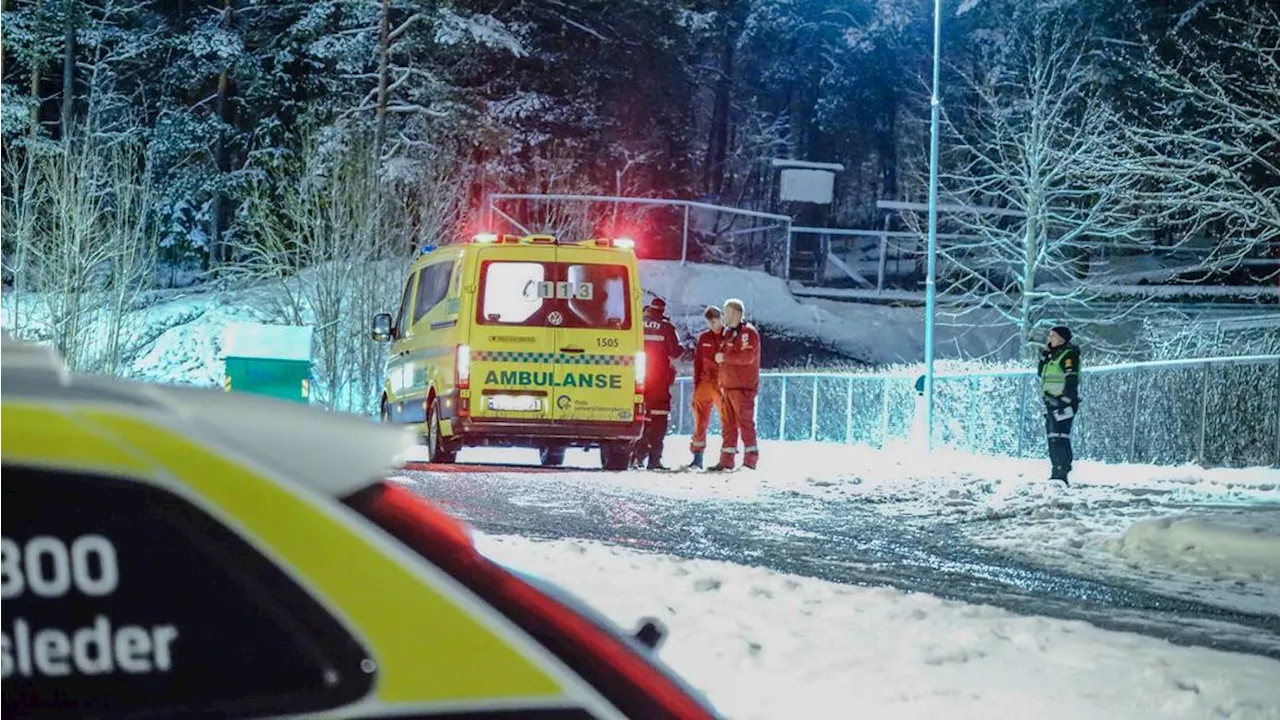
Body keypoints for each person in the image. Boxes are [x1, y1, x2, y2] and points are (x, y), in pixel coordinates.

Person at [708, 298, 761, 471]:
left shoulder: (748, 333)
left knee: (745, 423)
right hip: (728, 387)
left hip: (742, 388)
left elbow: (747, 357)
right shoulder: (729, 333)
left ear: (733, 313)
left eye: (725, 311)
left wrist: (725, 358)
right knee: (728, 425)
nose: (723, 315)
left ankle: (750, 460)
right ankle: (726, 460)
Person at [632, 297, 682, 469]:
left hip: (637, 379)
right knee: (659, 420)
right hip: (659, 380)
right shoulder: (666, 327)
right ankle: (654, 459)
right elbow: (676, 352)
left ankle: (636, 456)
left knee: (640, 418)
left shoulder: (636, 325)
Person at [1039, 325, 1081, 485]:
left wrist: (1066, 400)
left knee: (1060, 437)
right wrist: (1045, 354)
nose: (1049, 339)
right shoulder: (1053, 356)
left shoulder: (1068, 355)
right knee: (1052, 436)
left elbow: (1071, 379)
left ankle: (1061, 472)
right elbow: (1040, 372)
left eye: (1053, 336)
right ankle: (1055, 470)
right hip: (1051, 402)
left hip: (1063, 403)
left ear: (1062, 338)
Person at [688, 306, 726, 469]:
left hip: (722, 383)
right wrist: (697, 385)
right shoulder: (704, 338)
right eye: (710, 322)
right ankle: (698, 457)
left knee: (727, 420)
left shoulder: (729, 336)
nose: (713, 325)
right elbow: (698, 363)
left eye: (715, 321)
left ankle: (727, 456)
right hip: (705, 383)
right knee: (700, 421)